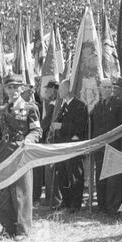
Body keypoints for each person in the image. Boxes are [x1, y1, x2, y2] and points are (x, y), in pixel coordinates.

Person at [0, 74, 42, 241]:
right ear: (5, 89)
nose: (12, 90)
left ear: (22, 89)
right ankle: (7, 227)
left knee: (21, 192)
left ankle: (22, 230)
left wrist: (27, 141)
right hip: (3, 154)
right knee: (3, 191)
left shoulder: (30, 108)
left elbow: (36, 131)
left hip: (20, 153)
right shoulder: (2, 110)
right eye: (9, 87)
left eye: (15, 87)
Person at [92, 78, 122, 215]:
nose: (108, 90)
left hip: (115, 146)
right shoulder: (97, 106)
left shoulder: (119, 104)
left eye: (109, 87)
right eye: (105, 87)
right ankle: (102, 206)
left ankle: (113, 207)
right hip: (100, 146)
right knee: (100, 177)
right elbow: (95, 127)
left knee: (114, 179)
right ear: (100, 89)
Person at [51, 80, 88, 213]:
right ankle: (65, 201)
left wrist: (62, 126)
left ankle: (75, 204)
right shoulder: (64, 105)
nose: (59, 91)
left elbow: (80, 127)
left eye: (61, 89)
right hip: (62, 146)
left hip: (73, 146)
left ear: (68, 89)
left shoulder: (79, 106)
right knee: (63, 174)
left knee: (74, 175)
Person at [40, 80, 61, 208]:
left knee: (51, 170)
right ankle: (50, 197)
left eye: (48, 88)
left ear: (54, 89)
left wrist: (38, 132)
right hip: (48, 139)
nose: (46, 91)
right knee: (49, 171)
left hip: (51, 139)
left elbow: (46, 123)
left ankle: (53, 199)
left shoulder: (54, 104)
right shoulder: (51, 103)